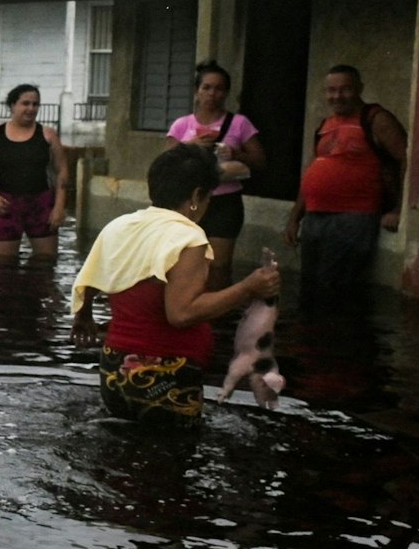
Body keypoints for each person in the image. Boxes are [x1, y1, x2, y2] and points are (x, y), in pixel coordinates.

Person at [71, 144, 281, 426]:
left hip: (113, 371)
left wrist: (84, 316)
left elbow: (88, 279)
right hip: (165, 376)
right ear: (196, 196)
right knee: (173, 452)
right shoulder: (187, 237)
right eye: (208, 197)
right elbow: (181, 313)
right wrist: (248, 287)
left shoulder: (119, 226)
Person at [283, 65, 406, 312]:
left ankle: (333, 335)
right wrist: (295, 217)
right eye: (331, 90)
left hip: (353, 217)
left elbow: (406, 159)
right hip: (315, 217)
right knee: (310, 286)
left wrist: (398, 209)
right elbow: (313, 171)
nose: (337, 96)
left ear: (359, 89)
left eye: (345, 89)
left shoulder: (375, 119)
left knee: (334, 290)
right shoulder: (326, 124)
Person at [166, 61, 264, 288]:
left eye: (219, 88)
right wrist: (190, 145)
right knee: (185, 263)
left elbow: (260, 161)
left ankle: (220, 305)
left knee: (219, 266)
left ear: (226, 93)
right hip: (189, 201)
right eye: (207, 87)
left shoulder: (239, 123)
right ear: (197, 91)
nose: (212, 93)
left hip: (225, 202)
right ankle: (188, 303)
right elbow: (165, 164)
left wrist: (236, 153)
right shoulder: (182, 125)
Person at [0, 83, 69, 259]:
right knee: (5, 262)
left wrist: (59, 206)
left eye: (35, 104)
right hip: (6, 205)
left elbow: (62, 171)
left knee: (46, 261)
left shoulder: (48, 135)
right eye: (25, 103)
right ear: (12, 105)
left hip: (41, 204)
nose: (31, 108)